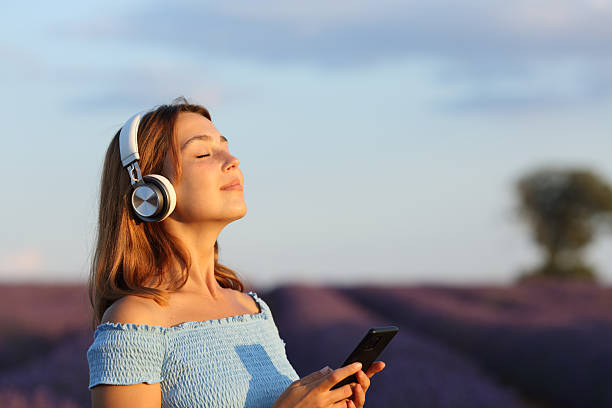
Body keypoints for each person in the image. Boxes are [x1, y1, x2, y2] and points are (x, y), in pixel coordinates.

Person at [86, 99, 386, 408]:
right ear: (149, 193)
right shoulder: (136, 321)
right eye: (203, 153)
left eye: (226, 147)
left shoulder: (252, 310)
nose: (233, 160)